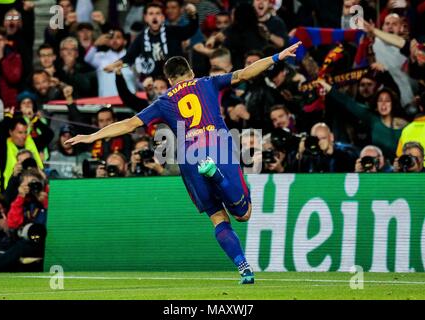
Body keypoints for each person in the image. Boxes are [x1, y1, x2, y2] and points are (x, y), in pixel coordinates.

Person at [65, 41, 302, 284]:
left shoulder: (163, 101)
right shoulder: (207, 82)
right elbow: (245, 72)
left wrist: (92, 136)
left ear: (169, 81)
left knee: (217, 217)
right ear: (190, 72)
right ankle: (217, 175)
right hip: (217, 147)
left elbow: (129, 124)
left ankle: (244, 269)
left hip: (189, 159)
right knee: (244, 214)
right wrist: (276, 57)